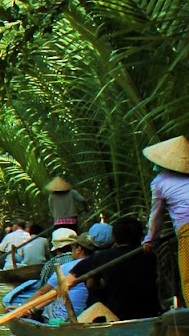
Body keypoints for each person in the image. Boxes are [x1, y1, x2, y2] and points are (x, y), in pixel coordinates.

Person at [72, 216, 158, 322]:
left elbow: (91, 285)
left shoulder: (102, 256)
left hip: (113, 314)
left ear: (114, 237)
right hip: (148, 313)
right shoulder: (149, 256)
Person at [143, 135, 189, 310]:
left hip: (187, 229)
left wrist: (150, 240)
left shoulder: (159, 182)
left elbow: (156, 216)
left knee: (188, 278)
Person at [34, 233, 98, 323]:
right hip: (86, 313)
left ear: (78, 249)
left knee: (48, 303)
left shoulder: (66, 267)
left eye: (73, 247)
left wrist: (23, 307)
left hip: (66, 316)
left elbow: (42, 291)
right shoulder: (98, 263)